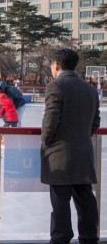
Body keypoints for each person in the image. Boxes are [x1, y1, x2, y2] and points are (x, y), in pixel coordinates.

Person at [41, 48, 100, 244]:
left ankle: (60, 237)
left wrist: (46, 141)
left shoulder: (55, 86)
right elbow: (95, 122)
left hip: (59, 152)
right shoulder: (90, 89)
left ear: (56, 65)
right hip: (83, 151)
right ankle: (89, 237)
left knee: (60, 200)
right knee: (85, 198)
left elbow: (51, 119)